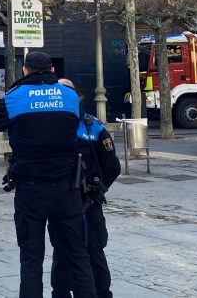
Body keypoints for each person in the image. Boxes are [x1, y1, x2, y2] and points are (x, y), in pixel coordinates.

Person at [0, 50, 96, 298]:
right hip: (68, 189)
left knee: (31, 260)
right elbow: (79, 125)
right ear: (53, 71)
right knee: (78, 256)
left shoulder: (14, 97)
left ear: (24, 71)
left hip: (30, 190)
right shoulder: (70, 95)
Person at [51, 78, 121, 298]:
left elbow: (112, 167)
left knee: (94, 250)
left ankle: (102, 293)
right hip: (61, 201)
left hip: (89, 202)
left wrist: (97, 189)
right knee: (61, 252)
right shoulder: (50, 125)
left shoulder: (93, 126)